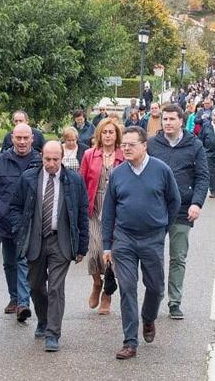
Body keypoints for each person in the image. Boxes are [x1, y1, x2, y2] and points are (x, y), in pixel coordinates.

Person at [102, 127, 181, 360]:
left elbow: (174, 202)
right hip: (124, 239)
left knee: (156, 287)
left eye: (131, 144)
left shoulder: (161, 170)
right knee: (127, 288)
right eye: (123, 144)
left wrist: (162, 228)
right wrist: (108, 245)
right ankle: (130, 342)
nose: (125, 148)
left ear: (144, 145)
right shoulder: (118, 174)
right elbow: (108, 212)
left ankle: (148, 318)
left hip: (152, 237)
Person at [7, 141, 89, 352]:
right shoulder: (29, 178)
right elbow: (14, 207)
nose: (51, 164)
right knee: (35, 286)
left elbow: (81, 215)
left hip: (60, 240)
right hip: (35, 239)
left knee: (55, 288)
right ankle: (43, 320)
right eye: (47, 159)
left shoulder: (74, 181)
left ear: (62, 158)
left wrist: (82, 247)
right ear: (41, 157)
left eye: (55, 159)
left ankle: (53, 333)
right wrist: (20, 229)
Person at [147, 104, 209, 319]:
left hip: (183, 209)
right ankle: (154, 297)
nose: (168, 123)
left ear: (182, 121)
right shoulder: (152, 144)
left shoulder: (195, 146)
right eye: (165, 119)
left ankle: (175, 301)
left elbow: (203, 177)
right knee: (153, 256)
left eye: (172, 119)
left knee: (177, 257)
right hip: (155, 210)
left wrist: (197, 203)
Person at [0, 124, 42, 319]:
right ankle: (14, 297)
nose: (21, 142)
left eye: (25, 138)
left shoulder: (39, 160)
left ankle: (22, 303)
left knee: (23, 261)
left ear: (32, 139)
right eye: (18, 138)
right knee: (9, 263)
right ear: (12, 138)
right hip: (5, 222)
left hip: (29, 222)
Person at [80, 118, 124, 315]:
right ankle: (97, 283)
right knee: (95, 251)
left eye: (111, 132)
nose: (107, 135)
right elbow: (81, 183)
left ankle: (107, 294)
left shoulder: (123, 156)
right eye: (104, 132)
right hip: (94, 207)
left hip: (116, 210)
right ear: (99, 134)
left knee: (110, 255)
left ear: (116, 136)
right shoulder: (90, 155)